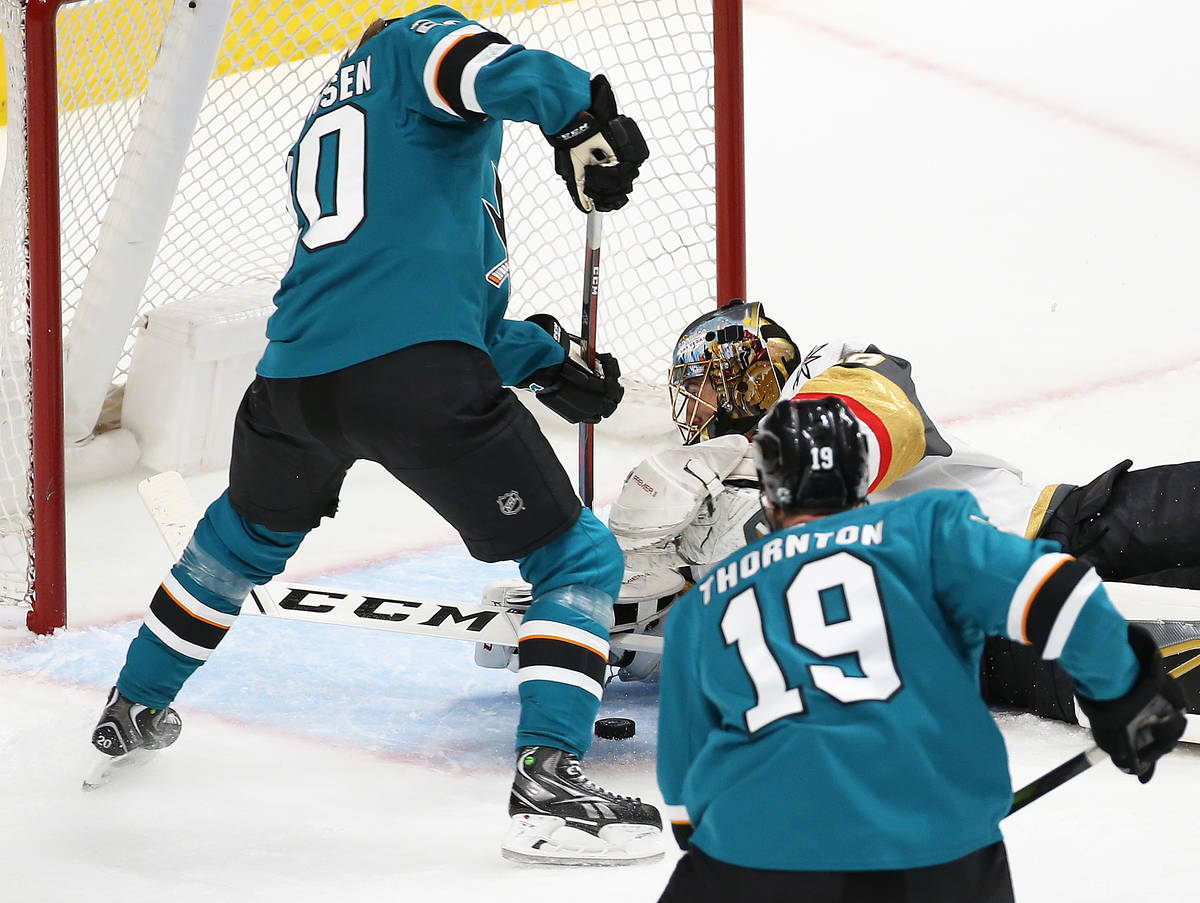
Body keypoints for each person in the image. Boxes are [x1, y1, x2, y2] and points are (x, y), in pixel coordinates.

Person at [85, 7, 663, 866]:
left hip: (293, 380)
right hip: (414, 376)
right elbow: (489, 66)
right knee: (575, 559)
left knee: (238, 539)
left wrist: (545, 360)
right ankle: (548, 783)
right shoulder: (408, 47)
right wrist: (579, 113)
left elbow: (429, 303)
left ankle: (132, 704)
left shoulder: (336, 125)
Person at [654, 397, 1187, 903]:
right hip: (933, 859)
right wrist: (1124, 696)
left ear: (768, 494)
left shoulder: (704, 603)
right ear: (862, 477)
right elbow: (1062, 599)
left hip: (750, 864)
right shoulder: (925, 530)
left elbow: (683, 799)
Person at [607, 301, 1200, 725]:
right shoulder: (698, 501)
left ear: (745, 376)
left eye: (701, 385)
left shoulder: (818, 377)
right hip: (997, 649)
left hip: (1066, 526)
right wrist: (612, 614)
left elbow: (882, 408)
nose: (692, 406)